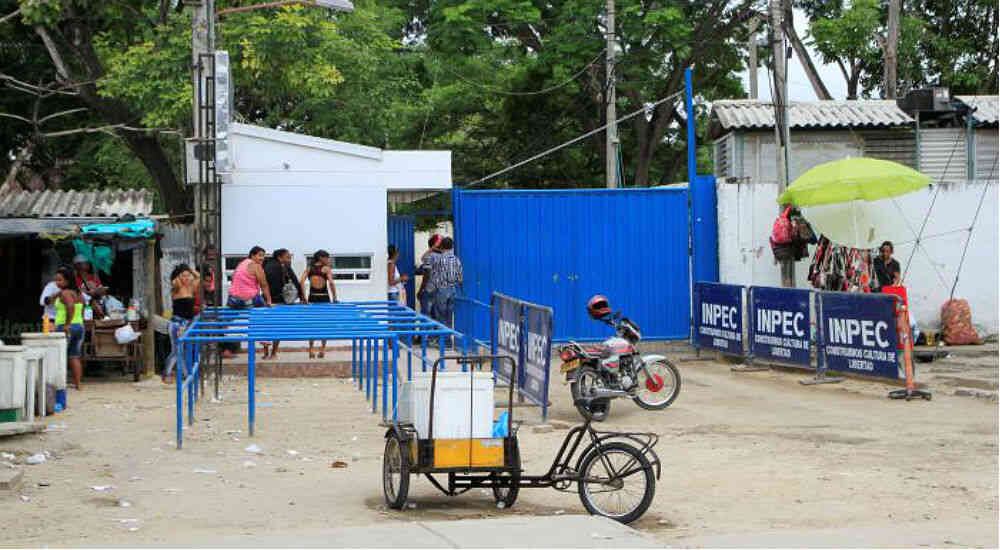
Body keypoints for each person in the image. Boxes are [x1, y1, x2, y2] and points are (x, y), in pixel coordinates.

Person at [264, 248, 305, 359]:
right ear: (280, 257)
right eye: (287, 257)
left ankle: (265, 352)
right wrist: (302, 298)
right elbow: (296, 282)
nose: (289, 259)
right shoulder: (285, 267)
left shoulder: (266, 265)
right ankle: (273, 353)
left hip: (267, 301)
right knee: (277, 327)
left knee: (265, 327)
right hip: (281, 302)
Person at [164, 264, 200, 384]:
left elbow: (198, 277)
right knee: (175, 350)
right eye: (183, 276)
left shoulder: (191, 288)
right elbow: (174, 281)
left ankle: (187, 375)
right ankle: (167, 374)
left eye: (187, 276)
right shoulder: (177, 286)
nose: (186, 278)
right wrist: (180, 274)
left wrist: (190, 270)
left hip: (186, 324)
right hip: (176, 324)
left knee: (183, 351)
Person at [300, 250, 337, 358]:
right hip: (324, 299)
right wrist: (335, 298)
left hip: (312, 298)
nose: (328, 260)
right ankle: (322, 349)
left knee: (312, 325)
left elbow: (301, 281)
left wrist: (304, 297)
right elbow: (331, 282)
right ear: (321, 258)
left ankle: (311, 350)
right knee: (324, 325)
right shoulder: (326, 269)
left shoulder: (309, 268)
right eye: (327, 257)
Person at [53, 266, 85, 390]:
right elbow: (81, 308)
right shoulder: (78, 293)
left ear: (67, 281)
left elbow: (70, 306)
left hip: (65, 327)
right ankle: (78, 384)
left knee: (59, 356)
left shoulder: (65, 293)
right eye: (56, 280)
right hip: (79, 326)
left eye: (60, 280)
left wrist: (67, 324)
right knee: (74, 356)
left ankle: (59, 385)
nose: (57, 282)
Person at [429, 237, 462, 333]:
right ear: (452, 246)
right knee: (449, 315)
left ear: (442, 246)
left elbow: (434, 276)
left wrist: (431, 289)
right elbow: (460, 277)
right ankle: (448, 341)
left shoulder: (439, 259)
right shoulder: (457, 260)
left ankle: (443, 340)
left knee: (440, 315)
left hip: (441, 290)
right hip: (452, 289)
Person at [416, 234, 442, 317]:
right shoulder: (443, 256)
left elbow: (427, 274)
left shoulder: (429, 256)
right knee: (436, 316)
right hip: (440, 290)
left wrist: (421, 290)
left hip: (429, 289)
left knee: (425, 316)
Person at [73, 254, 106, 319]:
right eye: (85, 263)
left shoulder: (94, 277)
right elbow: (75, 291)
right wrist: (86, 292)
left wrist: (97, 291)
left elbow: (102, 290)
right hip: (82, 301)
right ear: (77, 265)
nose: (87, 264)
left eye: (87, 263)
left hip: (96, 298)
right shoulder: (74, 278)